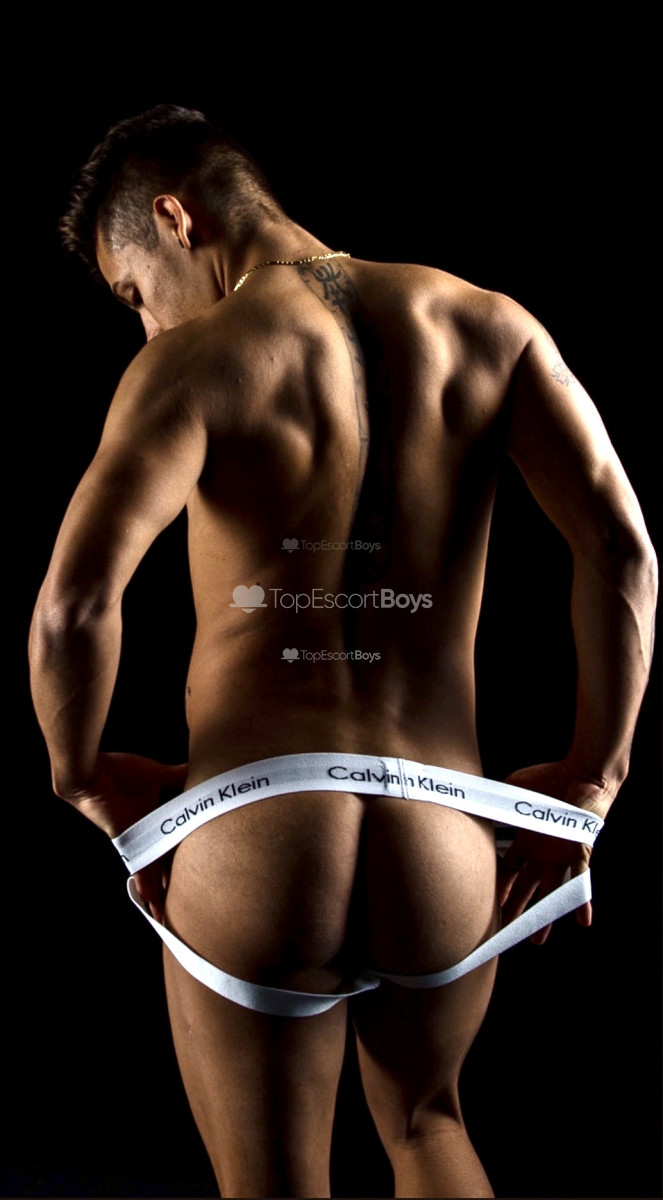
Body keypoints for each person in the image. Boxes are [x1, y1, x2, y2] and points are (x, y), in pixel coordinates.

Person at [29, 104, 657, 1199]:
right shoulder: (491, 324)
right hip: (443, 830)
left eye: (133, 294)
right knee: (427, 1125)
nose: (145, 325)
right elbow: (621, 549)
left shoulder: (193, 362)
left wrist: (80, 776)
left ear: (176, 218)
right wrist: (592, 781)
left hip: (257, 825)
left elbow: (74, 605)